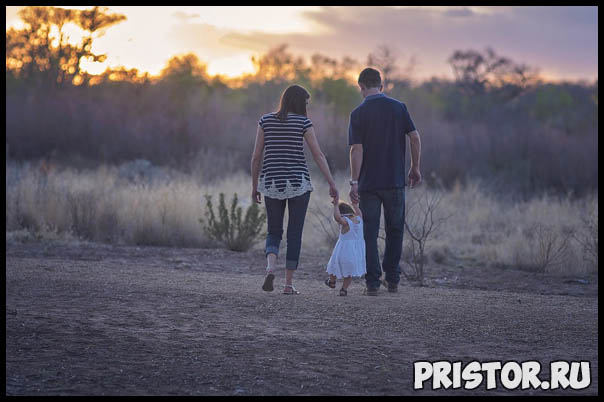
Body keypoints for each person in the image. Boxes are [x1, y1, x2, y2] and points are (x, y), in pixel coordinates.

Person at [251, 84, 338, 295]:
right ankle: (288, 284)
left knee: (273, 230)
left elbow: (256, 156)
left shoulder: (266, 121)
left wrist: (255, 186)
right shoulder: (303, 122)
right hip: (298, 183)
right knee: (294, 234)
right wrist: (331, 183)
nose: (307, 107)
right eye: (306, 103)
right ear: (300, 103)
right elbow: (318, 155)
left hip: (271, 182)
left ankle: (271, 267)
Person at [348, 67, 422, 296]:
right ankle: (392, 279)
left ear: (361, 87)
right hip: (395, 181)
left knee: (369, 232)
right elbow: (415, 137)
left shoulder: (358, 113)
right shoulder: (399, 108)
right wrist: (415, 167)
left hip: (369, 184)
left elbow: (356, 149)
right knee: (395, 230)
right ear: (381, 85)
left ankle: (372, 283)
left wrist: (354, 181)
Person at [324, 199, 366, 296]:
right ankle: (344, 289)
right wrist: (355, 205)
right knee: (348, 273)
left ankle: (332, 281)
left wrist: (335, 206)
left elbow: (337, 217)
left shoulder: (346, 222)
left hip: (343, 251)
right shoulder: (359, 219)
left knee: (333, 266)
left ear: (342, 214)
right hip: (356, 253)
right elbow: (359, 213)